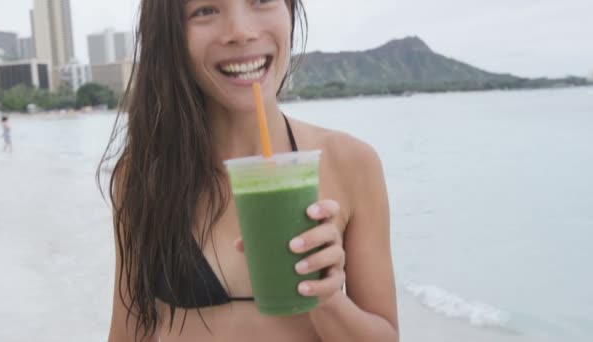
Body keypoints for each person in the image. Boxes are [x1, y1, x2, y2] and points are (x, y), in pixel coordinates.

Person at [100, 0, 399, 341]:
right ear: (171, 35)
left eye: (261, 0)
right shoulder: (145, 176)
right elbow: (129, 332)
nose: (240, 31)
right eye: (206, 10)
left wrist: (326, 296)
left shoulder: (351, 164)